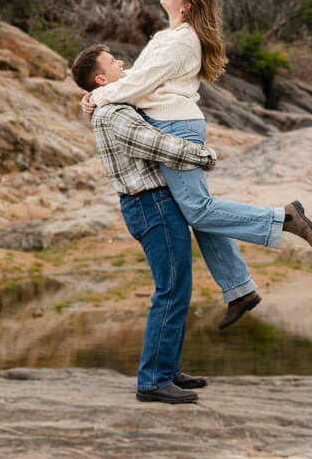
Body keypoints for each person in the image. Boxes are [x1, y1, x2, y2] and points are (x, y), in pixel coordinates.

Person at [76, 0, 312, 330]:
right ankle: (240, 289)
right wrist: (94, 95)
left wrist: (95, 97)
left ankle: (283, 218)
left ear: (188, 5)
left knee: (199, 210)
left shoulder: (184, 40)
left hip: (176, 126)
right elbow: (132, 79)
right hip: (169, 124)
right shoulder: (168, 37)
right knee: (200, 213)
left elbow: (140, 84)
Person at [76, 58, 220, 404]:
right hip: (149, 203)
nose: (121, 63)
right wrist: (202, 155)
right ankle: (153, 380)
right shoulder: (113, 114)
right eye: (113, 62)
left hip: (152, 203)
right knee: (170, 288)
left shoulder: (112, 105)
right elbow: (154, 143)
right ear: (100, 78)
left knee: (178, 286)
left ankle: (167, 369)